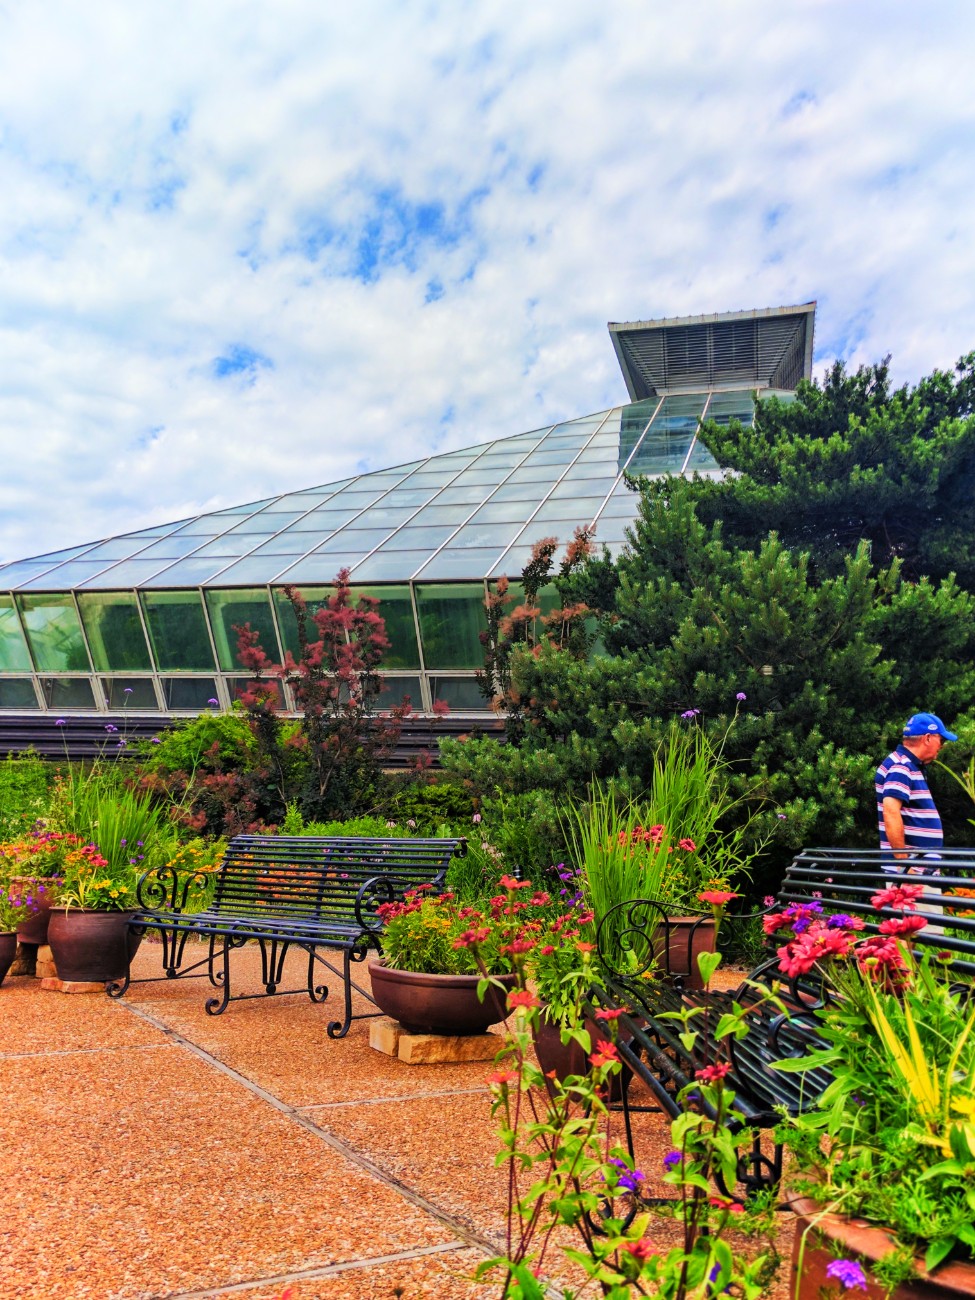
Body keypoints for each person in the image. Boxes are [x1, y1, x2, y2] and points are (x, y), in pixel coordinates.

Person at [875, 711, 957, 871]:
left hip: (917, 872)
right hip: (911, 875)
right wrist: (904, 865)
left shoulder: (907, 764)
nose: (942, 745)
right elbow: (890, 812)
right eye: (941, 739)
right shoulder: (901, 766)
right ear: (927, 738)